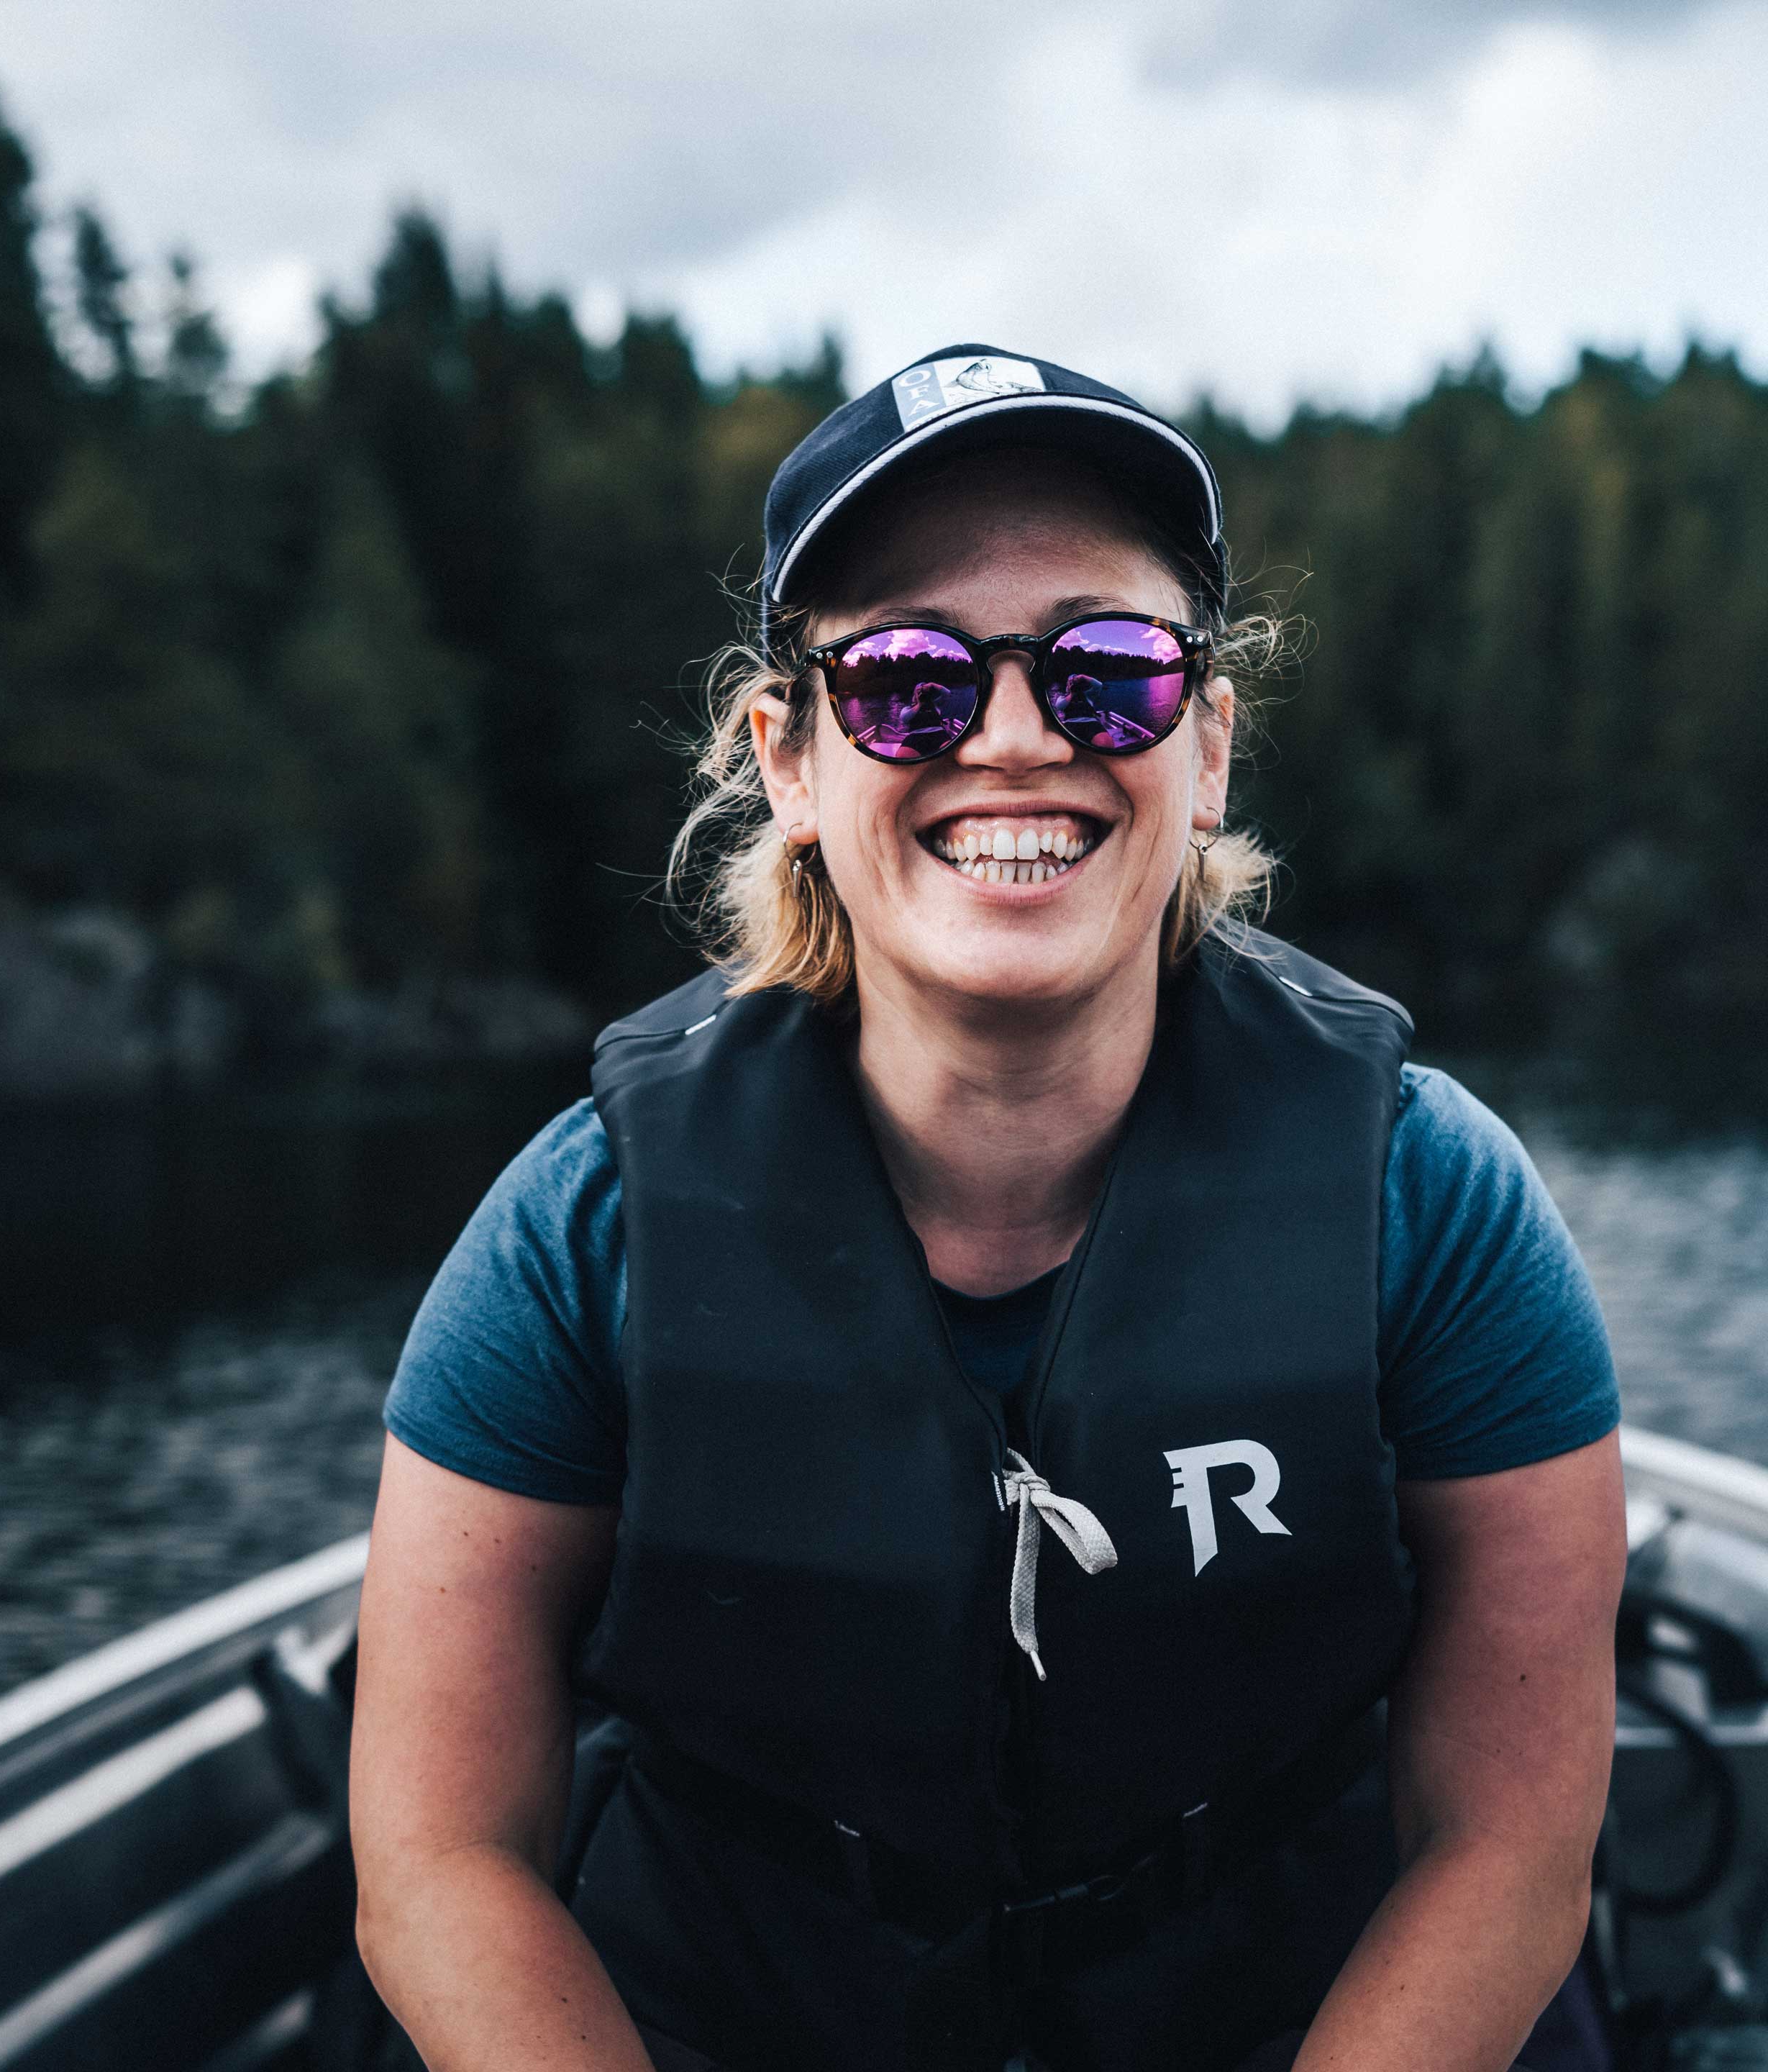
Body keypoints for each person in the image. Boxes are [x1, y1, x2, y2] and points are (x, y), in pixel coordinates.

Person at [347, 345, 1626, 2072]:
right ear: (789, 760)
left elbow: (1512, 1844)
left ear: (1211, 748)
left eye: (1107, 672)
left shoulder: (1432, 1199)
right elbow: (438, 1860)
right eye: (905, 681)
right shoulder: (582, 1236)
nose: (1015, 738)